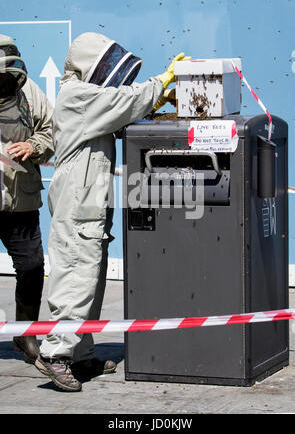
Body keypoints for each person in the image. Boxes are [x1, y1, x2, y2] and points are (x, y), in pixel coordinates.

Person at [34, 32, 190, 392]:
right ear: (91, 64)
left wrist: (157, 102)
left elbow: (122, 113)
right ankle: (56, 354)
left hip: (88, 201)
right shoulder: (77, 97)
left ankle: (81, 352)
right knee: (75, 278)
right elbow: (123, 100)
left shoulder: (88, 101)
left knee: (90, 279)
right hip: (78, 203)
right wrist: (161, 82)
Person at [0, 34, 54, 363]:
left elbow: (50, 130)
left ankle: (26, 334)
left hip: (20, 197)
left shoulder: (29, 91)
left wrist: (34, 146)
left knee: (32, 267)